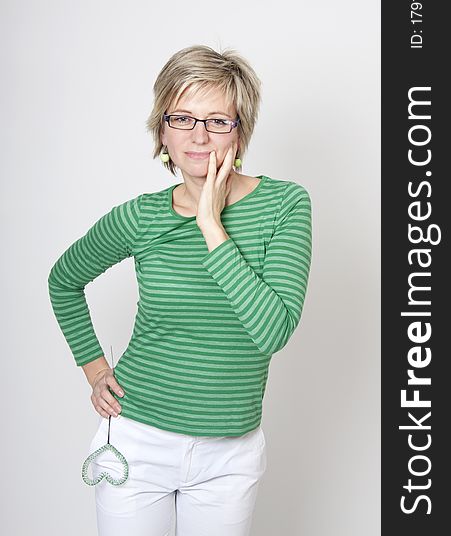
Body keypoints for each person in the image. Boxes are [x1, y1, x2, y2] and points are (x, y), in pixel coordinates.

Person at [48, 44, 313, 536]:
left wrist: (212, 225)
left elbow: (273, 331)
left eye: (217, 120)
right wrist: (94, 366)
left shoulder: (285, 205)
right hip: (137, 439)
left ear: (240, 129)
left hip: (229, 455)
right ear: (162, 130)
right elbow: (64, 279)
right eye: (183, 118)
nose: (199, 135)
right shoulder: (141, 217)